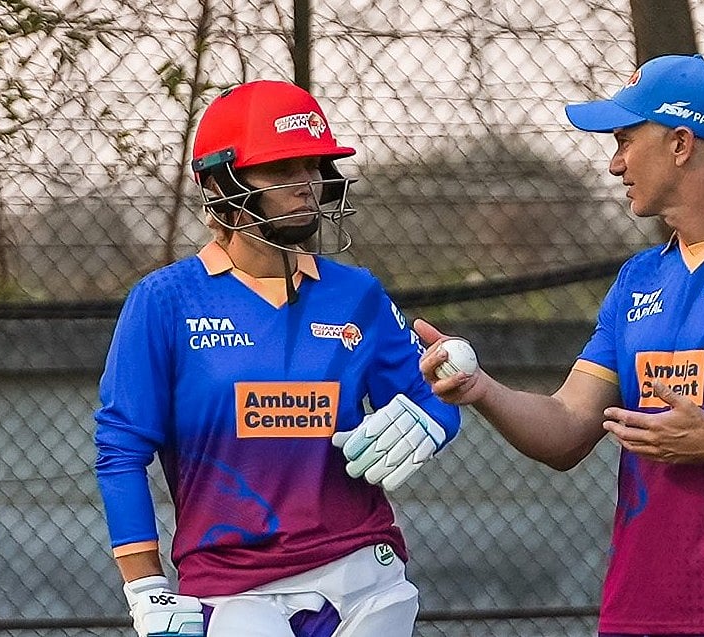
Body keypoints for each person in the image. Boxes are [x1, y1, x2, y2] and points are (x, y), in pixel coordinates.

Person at [415, 54, 704, 637]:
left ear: (681, 143)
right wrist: (481, 390)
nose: (614, 164)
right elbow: (567, 428)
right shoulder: (640, 278)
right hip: (634, 615)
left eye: (624, 141)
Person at [94, 79, 461, 637]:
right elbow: (120, 450)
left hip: (364, 574)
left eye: (312, 166)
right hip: (230, 591)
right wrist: (145, 588)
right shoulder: (164, 301)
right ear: (220, 182)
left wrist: (437, 411)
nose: (307, 184)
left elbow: (429, 394)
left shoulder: (357, 294)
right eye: (282, 169)